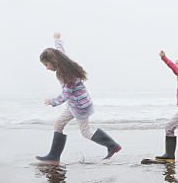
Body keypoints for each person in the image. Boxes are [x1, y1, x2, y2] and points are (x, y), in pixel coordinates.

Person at [36, 32, 121, 163]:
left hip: (80, 107)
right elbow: (60, 51)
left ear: (53, 62)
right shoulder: (63, 62)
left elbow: (66, 94)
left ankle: (112, 145)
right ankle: (54, 156)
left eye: (46, 65)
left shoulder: (64, 73)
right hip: (74, 104)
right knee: (58, 124)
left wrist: (52, 101)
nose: (46, 68)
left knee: (86, 133)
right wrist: (57, 39)